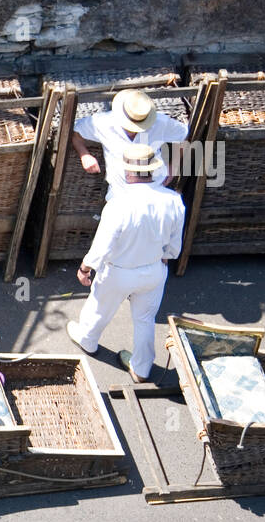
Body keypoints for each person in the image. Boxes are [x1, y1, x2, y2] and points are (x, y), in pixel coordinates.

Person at [66, 143, 186, 382]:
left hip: (119, 271)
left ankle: (88, 340)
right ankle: (141, 369)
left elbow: (103, 245)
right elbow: (174, 244)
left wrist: (85, 267)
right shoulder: (173, 200)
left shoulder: (119, 203)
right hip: (153, 271)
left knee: (99, 307)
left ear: (128, 172)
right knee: (145, 319)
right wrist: (166, 257)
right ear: (152, 171)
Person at [72, 88, 189, 200]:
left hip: (156, 189)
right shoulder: (102, 123)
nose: (133, 130)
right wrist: (84, 155)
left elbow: (184, 136)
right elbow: (75, 132)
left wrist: (173, 166)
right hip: (120, 194)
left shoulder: (161, 122)